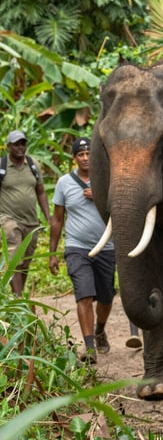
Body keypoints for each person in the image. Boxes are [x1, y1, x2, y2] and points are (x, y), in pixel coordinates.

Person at [49, 137, 124, 363]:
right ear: (74, 158)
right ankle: (90, 347)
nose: (85, 158)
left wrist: (99, 196)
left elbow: (122, 206)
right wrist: (52, 253)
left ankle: (100, 329)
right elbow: (57, 219)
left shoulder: (109, 179)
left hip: (106, 246)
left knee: (106, 296)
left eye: (89, 154)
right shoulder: (64, 183)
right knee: (84, 294)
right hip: (77, 247)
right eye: (80, 154)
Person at [0, 129, 51, 296]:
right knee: (14, 258)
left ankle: (18, 297)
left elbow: (41, 192)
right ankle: (18, 298)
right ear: (8, 146)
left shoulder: (33, 164)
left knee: (25, 263)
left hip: (31, 221)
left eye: (23, 144)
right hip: (7, 219)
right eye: (16, 144)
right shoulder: (2, 166)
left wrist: (48, 217)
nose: (20, 147)